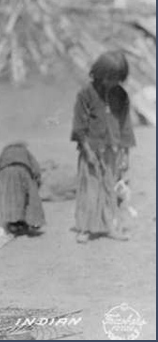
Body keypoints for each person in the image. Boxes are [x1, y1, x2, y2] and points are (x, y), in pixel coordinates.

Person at [70, 50, 135, 243]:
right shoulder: (86, 94)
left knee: (110, 188)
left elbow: (125, 127)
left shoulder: (121, 95)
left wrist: (126, 154)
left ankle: (112, 227)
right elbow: (79, 126)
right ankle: (85, 228)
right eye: (109, 78)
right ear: (99, 72)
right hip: (91, 151)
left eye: (117, 79)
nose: (112, 83)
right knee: (90, 189)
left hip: (112, 151)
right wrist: (88, 151)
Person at [0, 142, 45, 235]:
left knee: (9, 197)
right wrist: (36, 182)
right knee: (31, 196)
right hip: (22, 169)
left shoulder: (4, 153)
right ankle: (34, 221)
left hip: (4, 171)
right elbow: (36, 168)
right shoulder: (25, 151)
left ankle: (12, 222)